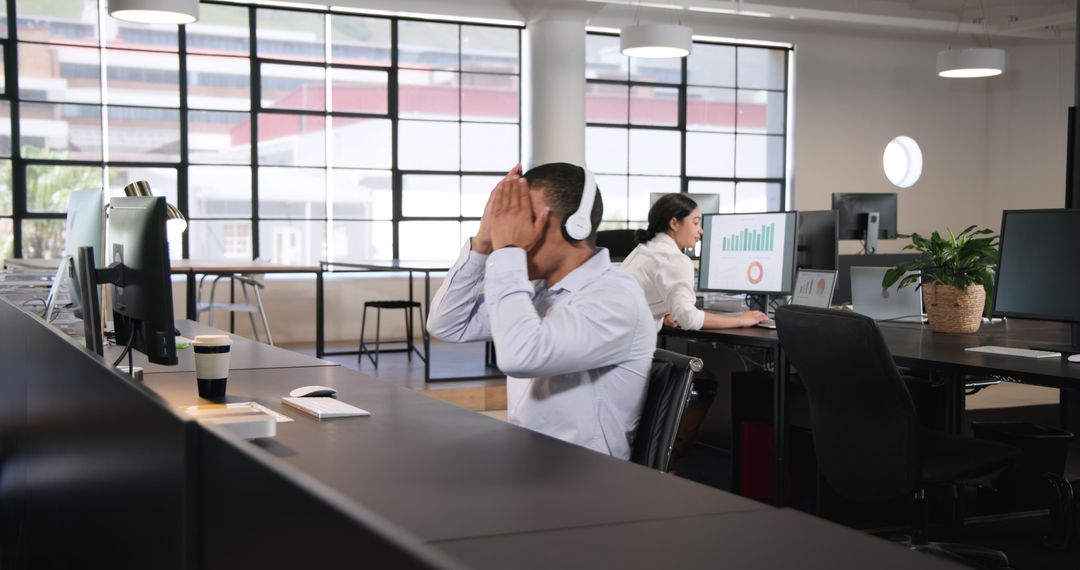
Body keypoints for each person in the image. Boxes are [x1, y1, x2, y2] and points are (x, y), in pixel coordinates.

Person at [426, 162, 656, 460]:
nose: (509, 231)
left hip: (584, 475)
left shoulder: (614, 297)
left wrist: (508, 251)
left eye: (522, 220)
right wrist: (482, 242)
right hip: (528, 460)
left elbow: (521, 356)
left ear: (575, 226)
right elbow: (447, 324)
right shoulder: (541, 291)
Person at [621, 193, 768, 331]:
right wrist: (741, 320)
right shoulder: (674, 259)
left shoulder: (645, 248)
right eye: (696, 223)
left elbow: (642, 302)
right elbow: (688, 319)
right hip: (628, 343)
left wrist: (663, 314)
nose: (701, 230)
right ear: (674, 223)